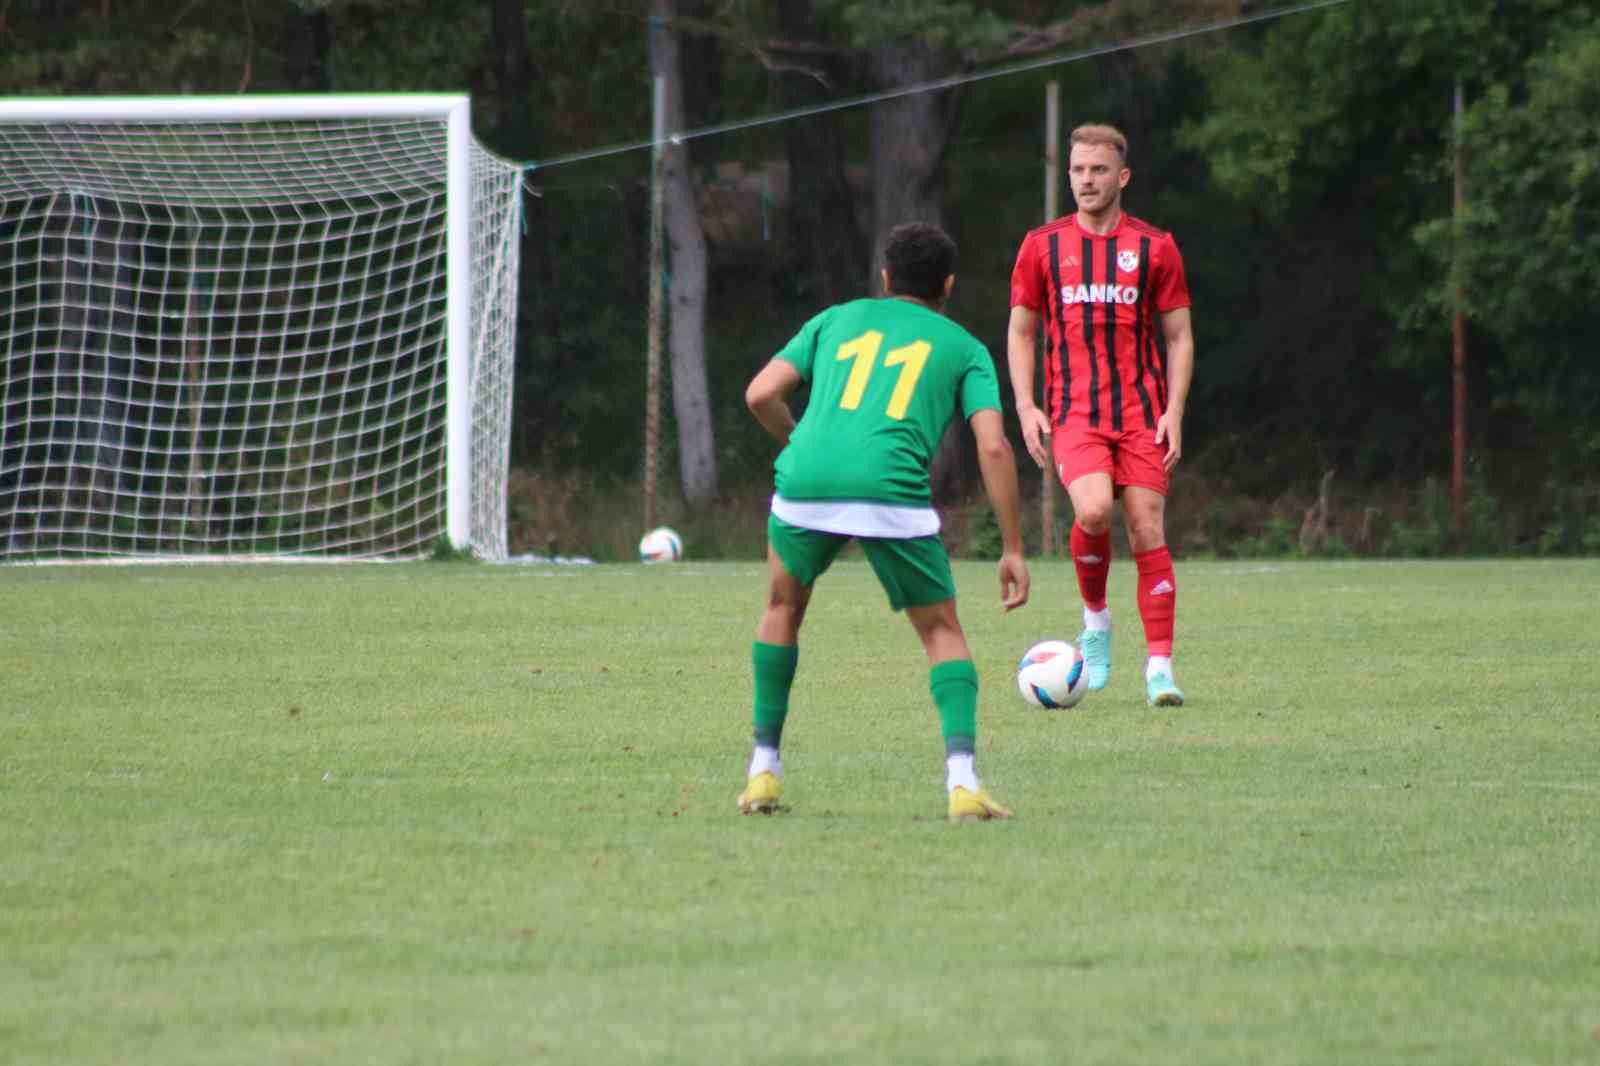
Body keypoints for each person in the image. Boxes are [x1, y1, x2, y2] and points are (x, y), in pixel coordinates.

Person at [738, 221, 1031, 822]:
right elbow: (995, 448)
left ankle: (763, 770)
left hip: (806, 480)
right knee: (942, 631)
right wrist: (1013, 547)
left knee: (781, 610)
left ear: (886, 278)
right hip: (890, 489)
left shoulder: (834, 319)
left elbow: (759, 394)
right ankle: (962, 782)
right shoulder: (965, 348)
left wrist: (801, 444)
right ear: (947, 285)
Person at [1006, 123, 1195, 707]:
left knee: (1145, 528)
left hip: (1141, 415)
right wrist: (1026, 404)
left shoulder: (1155, 247)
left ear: (1122, 176)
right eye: (1077, 171)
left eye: (1097, 170)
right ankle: (1096, 622)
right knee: (1091, 512)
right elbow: (1022, 331)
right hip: (1075, 415)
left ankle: (1159, 670)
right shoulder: (1042, 246)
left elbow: (1180, 336)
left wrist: (1175, 411)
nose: (1086, 181)